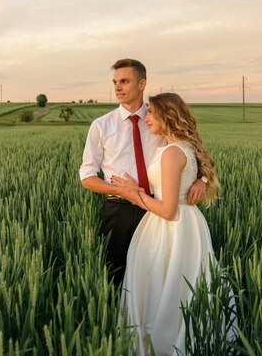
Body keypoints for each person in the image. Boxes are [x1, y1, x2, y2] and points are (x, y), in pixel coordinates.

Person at [79, 59, 207, 286]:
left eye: (125, 81)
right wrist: (123, 191)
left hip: (158, 211)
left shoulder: (158, 120)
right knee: (116, 277)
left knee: (156, 279)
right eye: (115, 82)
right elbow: (87, 177)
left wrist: (202, 180)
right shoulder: (101, 126)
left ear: (142, 84)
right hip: (119, 212)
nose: (118, 87)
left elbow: (194, 152)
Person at [112, 92, 220, 356]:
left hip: (169, 227)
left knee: (166, 287)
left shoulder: (172, 153)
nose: (146, 118)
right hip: (186, 225)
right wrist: (202, 181)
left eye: (151, 112)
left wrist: (134, 193)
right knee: (179, 286)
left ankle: (163, 346)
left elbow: (168, 210)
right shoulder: (179, 146)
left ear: (167, 115)